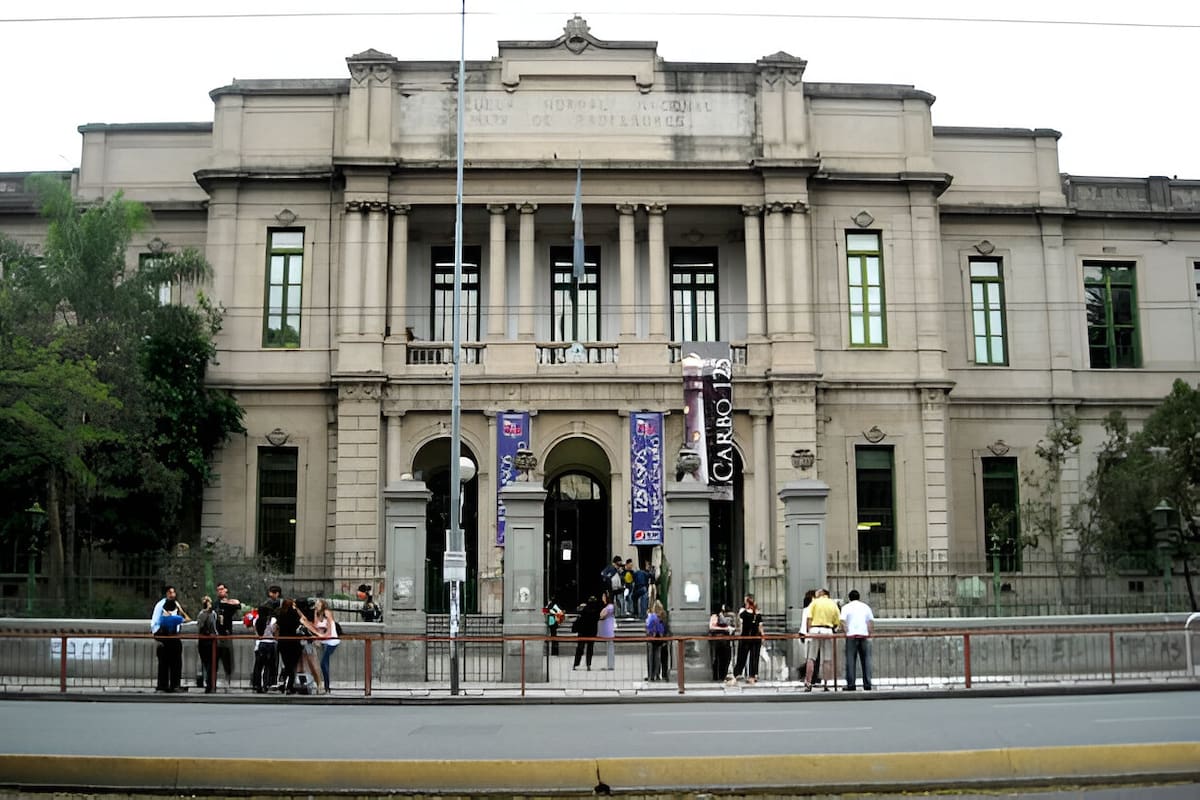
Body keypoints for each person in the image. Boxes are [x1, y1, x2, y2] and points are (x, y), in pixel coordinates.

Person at [150, 587, 188, 693]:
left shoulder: (175, 604)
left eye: (174, 592)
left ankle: (173, 685)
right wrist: (158, 636)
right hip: (165, 637)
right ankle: (164, 685)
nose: (173, 594)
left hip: (174, 636)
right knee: (165, 663)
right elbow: (155, 622)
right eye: (170, 592)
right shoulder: (160, 605)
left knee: (175, 663)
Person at [804, 588, 841, 693]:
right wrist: (834, 628)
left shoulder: (814, 603)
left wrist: (809, 631)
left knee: (811, 658)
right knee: (827, 659)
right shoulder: (832, 604)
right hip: (827, 630)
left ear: (820, 594)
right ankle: (826, 684)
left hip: (815, 629)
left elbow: (809, 618)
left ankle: (808, 683)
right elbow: (837, 621)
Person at [840, 589, 875, 691]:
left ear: (849, 598)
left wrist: (846, 631)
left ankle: (851, 684)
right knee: (866, 660)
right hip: (864, 635)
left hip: (851, 636)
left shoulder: (846, 607)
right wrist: (869, 633)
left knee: (850, 661)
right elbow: (870, 622)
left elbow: (842, 621)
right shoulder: (865, 607)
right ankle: (867, 684)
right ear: (859, 597)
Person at [213, 582, 242, 690]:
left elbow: (238, 605)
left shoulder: (230, 604)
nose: (220, 592)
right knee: (215, 659)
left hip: (226, 634)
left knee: (227, 659)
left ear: (226, 590)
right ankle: (213, 681)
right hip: (216, 634)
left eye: (222, 589)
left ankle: (228, 680)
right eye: (218, 590)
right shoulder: (216, 604)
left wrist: (228, 602)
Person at [309, 598, 340, 694]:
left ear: (323, 605)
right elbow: (316, 627)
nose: (316, 606)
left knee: (323, 663)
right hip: (324, 641)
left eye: (318, 604)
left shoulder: (327, 613)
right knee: (324, 663)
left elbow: (329, 631)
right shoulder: (317, 613)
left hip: (332, 640)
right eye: (316, 604)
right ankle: (326, 687)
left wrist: (321, 637)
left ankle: (327, 686)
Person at [274, 598, 304, 694]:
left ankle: (284, 683)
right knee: (292, 665)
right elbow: (302, 620)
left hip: (283, 642)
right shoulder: (294, 614)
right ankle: (289, 685)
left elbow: (276, 627)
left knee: (287, 664)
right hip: (293, 642)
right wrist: (297, 609)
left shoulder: (280, 614)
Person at [732, 594, 763, 684]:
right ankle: (753, 674)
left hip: (745, 637)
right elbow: (760, 627)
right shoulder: (757, 614)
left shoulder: (744, 613)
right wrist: (762, 636)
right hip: (756, 637)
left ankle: (738, 673)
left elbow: (740, 624)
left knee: (742, 655)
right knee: (754, 657)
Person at [249, 603, 278, 693]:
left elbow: (256, 633)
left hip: (260, 643)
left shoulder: (256, 620)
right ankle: (267, 684)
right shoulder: (272, 620)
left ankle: (257, 685)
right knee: (269, 666)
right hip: (270, 643)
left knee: (258, 666)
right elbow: (274, 631)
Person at [195, 595, 219, 693]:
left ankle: (211, 684)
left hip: (211, 640)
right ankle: (209, 684)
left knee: (212, 664)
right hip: (205, 641)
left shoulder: (213, 614)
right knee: (207, 663)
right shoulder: (202, 614)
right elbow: (201, 627)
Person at [571, 595, 602, 671]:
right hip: (592, 632)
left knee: (580, 648)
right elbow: (598, 618)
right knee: (590, 649)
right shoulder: (597, 611)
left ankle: (576, 664)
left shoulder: (585, 609)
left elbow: (579, 615)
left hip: (582, 631)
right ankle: (588, 664)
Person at [709, 602, 736, 683]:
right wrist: (725, 629)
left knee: (726, 657)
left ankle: (723, 675)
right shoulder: (715, 616)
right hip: (718, 639)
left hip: (725, 639)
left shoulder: (724, 616)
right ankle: (717, 676)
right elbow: (712, 627)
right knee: (718, 658)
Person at [646, 599, 670, 682]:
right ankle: (657, 674)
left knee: (653, 658)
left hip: (653, 640)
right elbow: (663, 629)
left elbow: (648, 629)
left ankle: (652, 675)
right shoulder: (662, 618)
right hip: (659, 640)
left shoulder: (651, 617)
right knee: (658, 658)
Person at [598, 589, 616, 670]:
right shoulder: (607, 607)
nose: (602, 598)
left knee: (610, 648)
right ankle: (609, 665)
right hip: (606, 630)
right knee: (609, 648)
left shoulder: (610, 607)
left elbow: (602, 615)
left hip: (609, 631)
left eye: (603, 596)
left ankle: (611, 665)